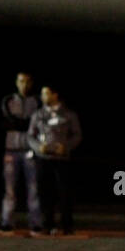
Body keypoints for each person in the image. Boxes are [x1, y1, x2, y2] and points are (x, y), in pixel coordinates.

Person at [26, 85, 82, 235]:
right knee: (45, 192)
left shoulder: (69, 114)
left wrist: (66, 147)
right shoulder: (38, 114)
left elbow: (77, 135)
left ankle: (67, 225)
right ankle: (47, 224)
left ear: (55, 95)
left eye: (46, 94)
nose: (43, 97)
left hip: (62, 158)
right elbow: (30, 135)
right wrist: (38, 147)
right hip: (43, 158)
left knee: (64, 192)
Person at [0, 71, 39, 233]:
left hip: (30, 150)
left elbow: (35, 124)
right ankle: (7, 221)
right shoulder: (8, 100)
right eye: (21, 81)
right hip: (11, 150)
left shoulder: (36, 101)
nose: (24, 84)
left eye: (28, 81)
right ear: (17, 82)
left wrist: (21, 124)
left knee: (33, 188)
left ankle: (36, 222)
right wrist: (25, 124)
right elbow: (9, 121)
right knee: (10, 189)